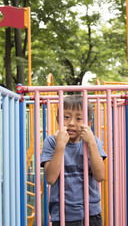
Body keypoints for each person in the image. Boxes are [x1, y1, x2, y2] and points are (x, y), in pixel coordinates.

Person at [40, 95, 107, 226]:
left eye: (78, 118)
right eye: (66, 117)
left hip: (91, 212)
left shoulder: (94, 142)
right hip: (63, 214)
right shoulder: (52, 142)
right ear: (58, 119)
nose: (71, 122)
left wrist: (91, 143)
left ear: (88, 124)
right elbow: (50, 179)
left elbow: (100, 176)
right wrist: (60, 146)